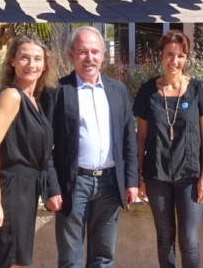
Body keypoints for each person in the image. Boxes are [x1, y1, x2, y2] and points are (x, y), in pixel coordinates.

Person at [44, 26, 139, 268]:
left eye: (95, 51)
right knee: (69, 258)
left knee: (104, 257)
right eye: (82, 51)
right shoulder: (57, 91)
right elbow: (45, 148)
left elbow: (129, 139)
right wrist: (52, 189)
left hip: (110, 184)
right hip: (74, 184)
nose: (89, 58)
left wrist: (131, 182)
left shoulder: (117, 90)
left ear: (103, 55)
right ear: (70, 55)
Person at [133, 30, 203, 268]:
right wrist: (138, 176)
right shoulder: (148, 91)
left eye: (180, 56)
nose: (174, 61)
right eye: (169, 54)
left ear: (186, 58)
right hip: (156, 175)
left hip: (190, 176)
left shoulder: (198, 90)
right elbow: (141, 137)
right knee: (165, 239)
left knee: (189, 241)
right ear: (160, 55)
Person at [0, 34, 56, 268]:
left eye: (37, 59)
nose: (31, 65)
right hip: (9, 189)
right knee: (10, 262)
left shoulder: (35, 101)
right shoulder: (12, 96)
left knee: (17, 262)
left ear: (44, 66)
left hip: (25, 192)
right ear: (12, 61)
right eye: (24, 58)